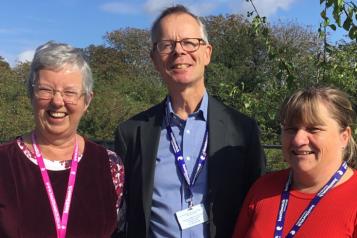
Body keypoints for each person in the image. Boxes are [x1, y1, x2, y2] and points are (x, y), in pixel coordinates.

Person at [114, 5, 265, 238]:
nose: (179, 51)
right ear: (154, 59)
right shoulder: (131, 133)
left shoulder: (243, 131)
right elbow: (124, 217)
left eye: (189, 42)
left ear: (207, 52)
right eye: (166, 45)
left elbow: (258, 210)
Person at [0, 41, 124, 238]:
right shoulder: (4, 162)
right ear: (31, 94)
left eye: (69, 92)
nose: (57, 101)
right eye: (46, 90)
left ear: (87, 101)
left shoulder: (110, 166)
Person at [233, 86, 357, 237]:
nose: (298, 140)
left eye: (313, 129)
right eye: (291, 129)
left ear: (344, 136)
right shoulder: (263, 188)